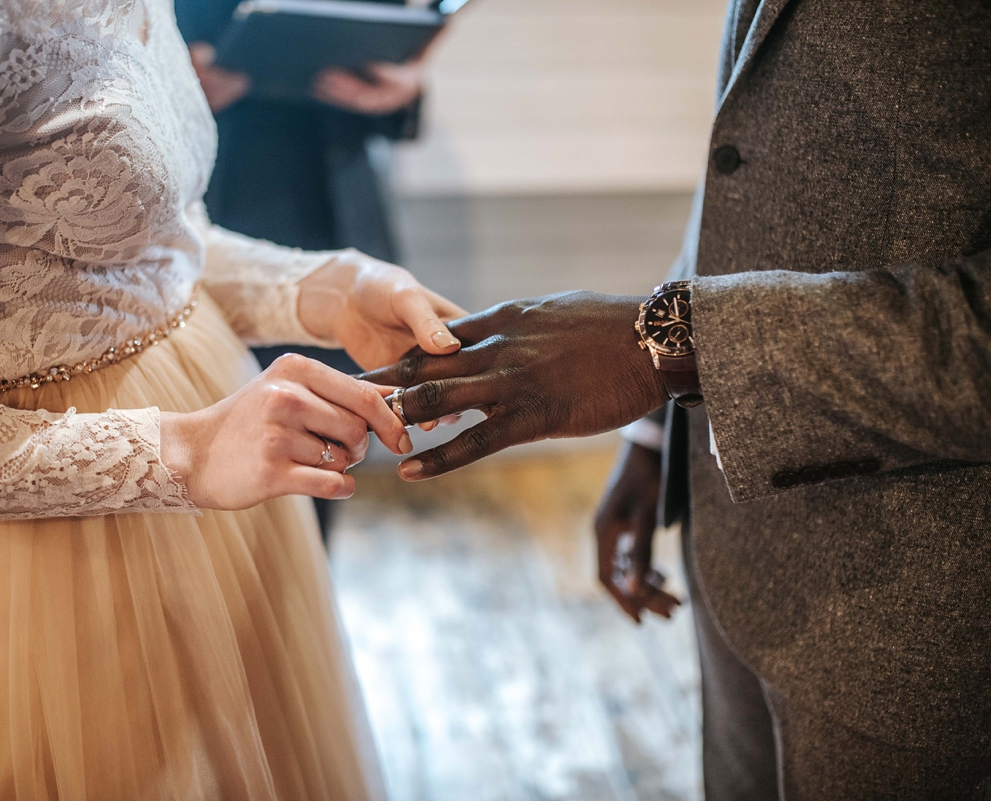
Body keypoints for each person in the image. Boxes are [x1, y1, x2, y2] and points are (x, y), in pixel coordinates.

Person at [0, 0, 464, 796]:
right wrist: (181, 453)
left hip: (226, 479)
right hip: (43, 554)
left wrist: (326, 287)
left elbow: (141, 247)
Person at [363, 0, 991, 796]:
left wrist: (661, 342)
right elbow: (749, 158)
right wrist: (656, 435)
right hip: (735, 541)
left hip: (919, 621)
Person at [173, 0, 432, 539]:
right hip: (218, 199)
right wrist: (168, 77)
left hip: (334, 200)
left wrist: (401, 85)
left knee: (326, 444)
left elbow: (382, 38)